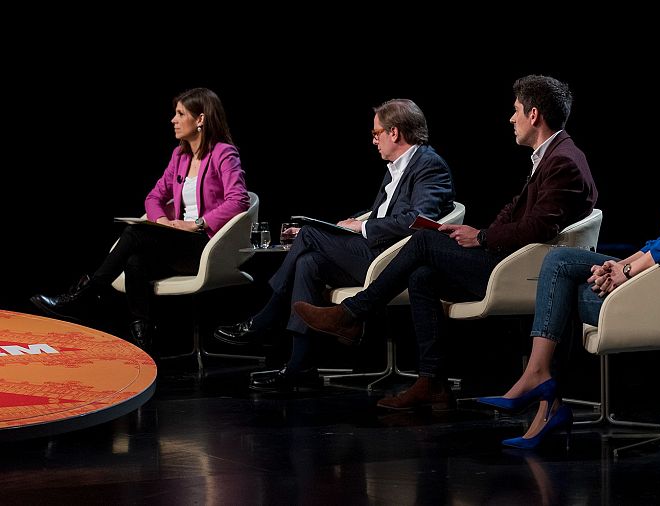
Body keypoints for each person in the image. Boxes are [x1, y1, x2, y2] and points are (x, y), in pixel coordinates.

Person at [294, 75, 598, 411]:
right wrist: (478, 236)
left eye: (515, 111)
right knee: (422, 274)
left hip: (523, 271)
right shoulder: (551, 154)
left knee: (423, 240)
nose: (511, 118)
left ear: (534, 114)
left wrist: (481, 237)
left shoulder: (563, 160)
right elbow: (516, 211)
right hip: (507, 258)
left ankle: (353, 314)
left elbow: (539, 226)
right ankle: (432, 383)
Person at [477, 80, 660, 449]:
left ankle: (543, 390)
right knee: (559, 262)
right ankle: (542, 389)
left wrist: (625, 272)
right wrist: (622, 265)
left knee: (561, 293)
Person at [214, 98, 456, 393]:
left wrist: (360, 226)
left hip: (395, 260)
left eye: (376, 133)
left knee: (309, 236)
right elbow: (379, 213)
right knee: (308, 261)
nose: (373, 140)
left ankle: (266, 316)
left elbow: (419, 220)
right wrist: (348, 222)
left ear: (395, 132)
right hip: (375, 252)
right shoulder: (395, 168)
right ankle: (299, 367)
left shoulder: (429, 165)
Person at [31, 88, 250, 350]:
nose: (173, 120)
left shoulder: (224, 153)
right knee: (136, 261)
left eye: (180, 114)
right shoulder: (179, 157)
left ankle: (87, 295)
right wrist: (161, 222)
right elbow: (153, 198)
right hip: (178, 245)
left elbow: (239, 200)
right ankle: (143, 345)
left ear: (200, 119)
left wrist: (197, 223)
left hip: (206, 246)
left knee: (135, 234)